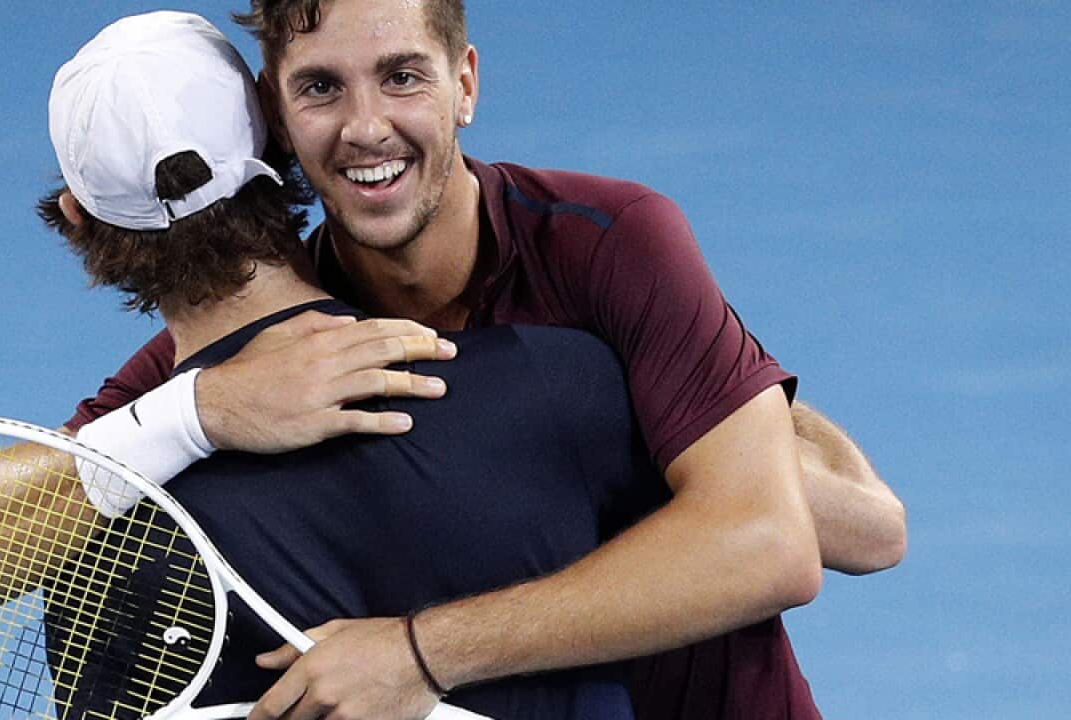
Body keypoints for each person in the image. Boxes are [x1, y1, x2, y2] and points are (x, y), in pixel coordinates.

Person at [63, 2, 907, 718]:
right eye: (321, 88)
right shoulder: (257, 367)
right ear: (277, 122)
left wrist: (419, 653)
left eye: (402, 77)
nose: (365, 129)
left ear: (464, 83)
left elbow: (842, 534)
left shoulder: (604, 246)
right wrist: (200, 412)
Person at [33, 11, 661, 718]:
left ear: (76, 219)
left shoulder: (85, 547)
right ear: (283, 134)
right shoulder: (572, 388)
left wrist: (184, 420)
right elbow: (771, 527)